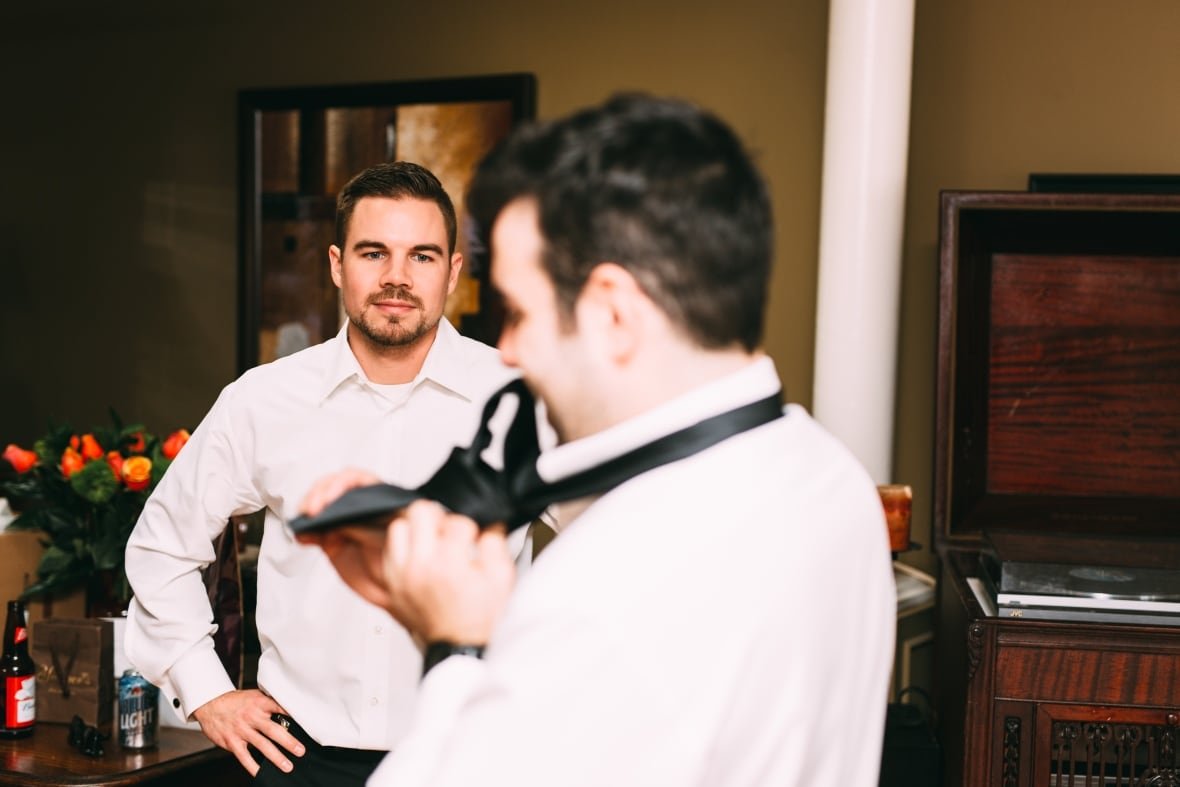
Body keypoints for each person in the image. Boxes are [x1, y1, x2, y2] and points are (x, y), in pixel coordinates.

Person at [299, 93, 897, 786]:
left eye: (519, 312)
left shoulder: (599, 594)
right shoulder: (832, 480)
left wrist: (454, 645)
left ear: (614, 311)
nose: (511, 351)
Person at [123, 161, 516, 786]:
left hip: (471, 762)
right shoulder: (263, 399)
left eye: (422, 255)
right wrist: (206, 692)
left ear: (453, 270)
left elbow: (624, 537)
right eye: (372, 253)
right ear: (336, 264)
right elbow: (160, 549)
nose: (396, 278)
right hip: (298, 764)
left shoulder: (518, 400)